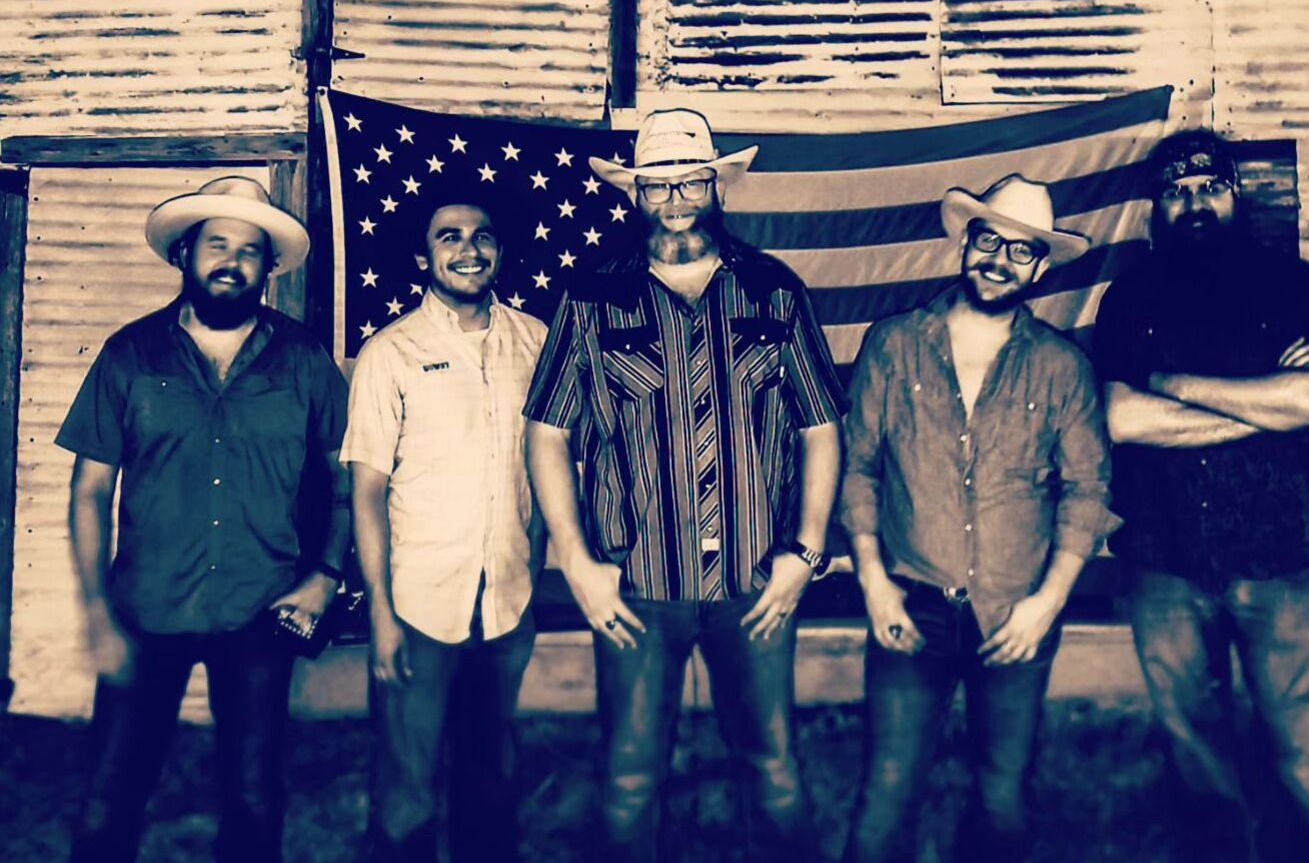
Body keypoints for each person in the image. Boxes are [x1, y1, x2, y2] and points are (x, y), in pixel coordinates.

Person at [523, 108, 846, 863]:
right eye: (658, 185)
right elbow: (546, 432)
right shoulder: (592, 299)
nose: (675, 199)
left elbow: (821, 426)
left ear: (716, 186)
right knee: (630, 779)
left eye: (690, 182)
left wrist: (806, 551)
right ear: (636, 195)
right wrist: (576, 562)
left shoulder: (774, 291)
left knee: (774, 771)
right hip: (635, 587)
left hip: (754, 585)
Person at [1093, 129, 1309, 863]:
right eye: (1177, 192)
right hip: (1164, 563)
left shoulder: (1295, 284)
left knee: (1305, 758)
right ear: (1158, 205)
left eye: (1208, 188)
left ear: (1234, 195)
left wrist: (1174, 386)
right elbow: (1120, 419)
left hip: (1280, 560)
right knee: (1198, 759)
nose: (1194, 203)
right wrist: (1259, 407)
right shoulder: (1130, 297)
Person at [58, 176, 350, 863]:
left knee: (253, 797)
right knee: (109, 798)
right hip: (145, 608)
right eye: (217, 243)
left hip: (260, 608)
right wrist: (97, 612)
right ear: (184, 254)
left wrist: (326, 577)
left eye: (251, 250)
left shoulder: (304, 360)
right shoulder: (130, 355)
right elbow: (90, 491)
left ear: (268, 269)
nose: (233, 260)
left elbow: (346, 476)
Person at [841, 175, 1119, 863]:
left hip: (1017, 612)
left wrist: (1047, 605)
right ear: (964, 244)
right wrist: (874, 585)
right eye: (988, 240)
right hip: (912, 607)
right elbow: (858, 470)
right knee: (887, 790)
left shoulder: (1062, 368)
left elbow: (1087, 491)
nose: (999, 260)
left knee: (1002, 795)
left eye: (1020, 251)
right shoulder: (895, 344)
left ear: (1041, 267)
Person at [343, 198, 547, 863]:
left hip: (508, 601)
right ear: (423, 256)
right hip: (419, 607)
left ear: (501, 251)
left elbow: (549, 466)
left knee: (491, 777)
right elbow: (367, 492)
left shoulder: (536, 340)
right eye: (450, 237)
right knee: (409, 788)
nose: (470, 249)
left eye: (484, 236)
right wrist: (380, 614)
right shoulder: (391, 352)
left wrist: (538, 563)